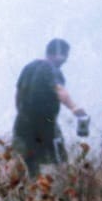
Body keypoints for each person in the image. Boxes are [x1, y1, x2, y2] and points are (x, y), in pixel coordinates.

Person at [12, 38, 87, 177]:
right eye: (65, 56)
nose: (65, 61)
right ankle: (64, 191)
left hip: (22, 123)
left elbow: (18, 93)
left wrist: (22, 113)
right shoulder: (51, 69)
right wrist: (74, 108)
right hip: (46, 125)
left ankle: (30, 192)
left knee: (28, 161)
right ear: (59, 54)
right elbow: (59, 90)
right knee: (60, 161)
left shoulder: (29, 67)